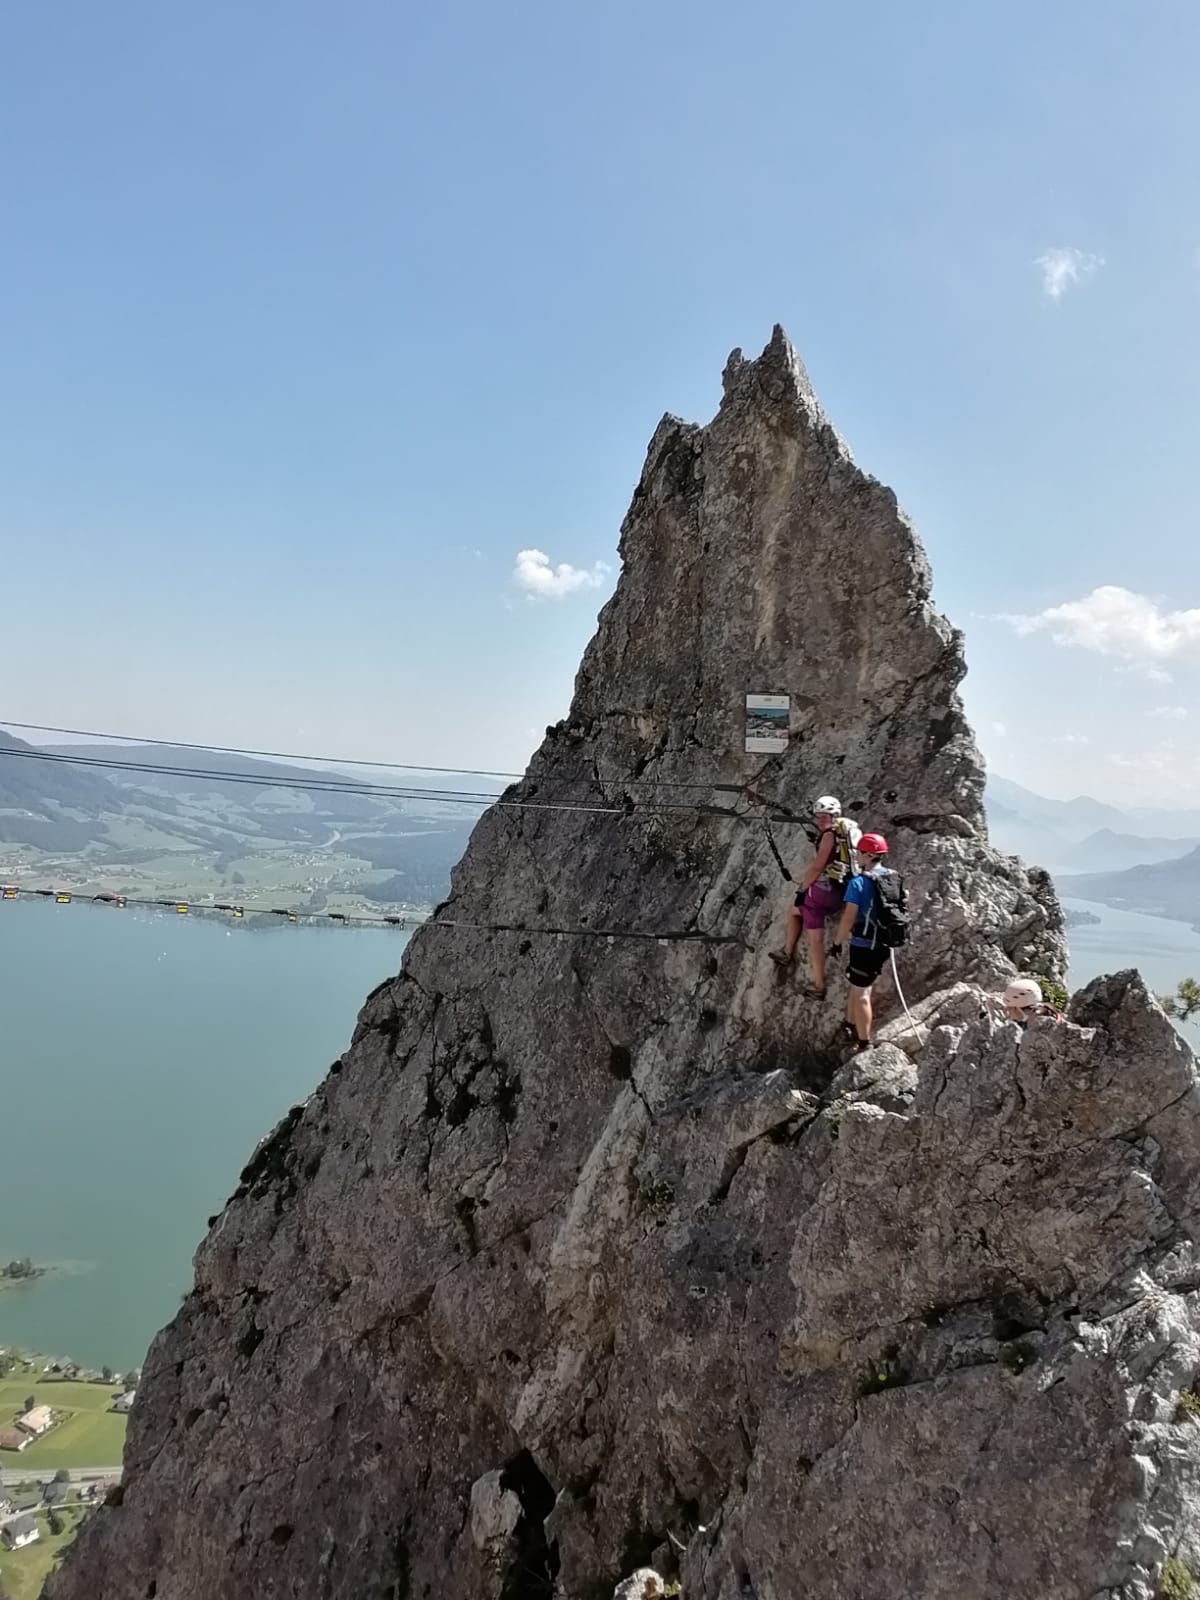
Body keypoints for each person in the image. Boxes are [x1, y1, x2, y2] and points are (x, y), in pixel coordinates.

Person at [769, 796, 861, 997]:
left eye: (824, 816)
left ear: (833, 816)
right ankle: (786, 951)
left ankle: (819, 985)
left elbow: (818, 866)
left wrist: (802, 890)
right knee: (794, 911)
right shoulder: (844, 833)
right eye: (818, 816)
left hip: (822, 893)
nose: (820, 820)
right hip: (840, 891)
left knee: (815, 938)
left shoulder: (829, 836)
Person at [831, 832, 894, 1051]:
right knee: (859, 984)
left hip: (863, 945)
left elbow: (848, 918)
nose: (857, 855)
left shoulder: (858, 883)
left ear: (868, 855)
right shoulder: (892, 878)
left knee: (862, 994)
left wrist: (837, 942)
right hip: (883, 945)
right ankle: (850, 1024)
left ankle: (864, 1042)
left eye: (859, 852)